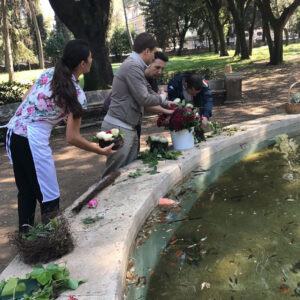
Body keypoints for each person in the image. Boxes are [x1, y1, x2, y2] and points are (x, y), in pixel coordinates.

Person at [3, 40, 116, 232]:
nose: (91, 61)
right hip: (32, 140)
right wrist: (99, 150)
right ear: (82, 63)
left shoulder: (49, 73)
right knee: (49, 195)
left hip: (14, 133)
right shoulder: (77, 95)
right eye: (90, 58)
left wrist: (52, 114)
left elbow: (26, 98)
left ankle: (26, 237)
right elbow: (72, 137)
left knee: (27, 191)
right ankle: (53, 240)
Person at [101, 33, 176, 176]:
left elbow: (148, 90)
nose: (154, 57)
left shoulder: (136, 66)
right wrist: (161, 98)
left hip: (127, 126)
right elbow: (144, 99)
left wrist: (167, 102)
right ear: (147, 51)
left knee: (127, 171)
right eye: (154, 53)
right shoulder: (132, 67)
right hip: (120, 126)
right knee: (114, 173)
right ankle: (101, 199)